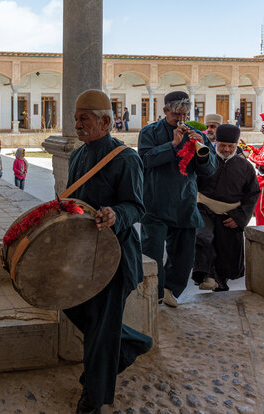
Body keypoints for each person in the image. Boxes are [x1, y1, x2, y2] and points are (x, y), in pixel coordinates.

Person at [65, 89, 152, 414]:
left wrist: (116, 214)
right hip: (83, 255)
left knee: (101, 328)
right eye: (75, 119)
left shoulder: (126, 159)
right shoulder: (77, 156)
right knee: (73, 308)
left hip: (115, 259)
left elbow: (136, 206)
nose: (77, 125)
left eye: (83, 119)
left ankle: (94, 395)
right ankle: (131, 343)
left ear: (104, 121)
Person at [139, 91, 218, 307]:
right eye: (176, 115)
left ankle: (171, 289)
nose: (181, 120)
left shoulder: (196, 134)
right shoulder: (149, 132)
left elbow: (210, 169)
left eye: (184, 115)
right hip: (155, 203)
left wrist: (203, 147)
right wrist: (173, 145)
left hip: (185, 203)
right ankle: (153, 293)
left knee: (184, 255)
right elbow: (145, 160)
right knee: (151, 251)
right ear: (165, 111)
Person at [191, 124, 260, 291]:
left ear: (236, 146)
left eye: (231, 146)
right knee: (203, 237)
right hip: (204, 209)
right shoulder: (206, 159)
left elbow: (253, 194)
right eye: (223, 145)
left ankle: (219, 282)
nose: (227, 149)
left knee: (226, 249)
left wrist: (239, 217)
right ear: (216, 143)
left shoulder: (245, 167)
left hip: (230, 215)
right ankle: (205, 275)